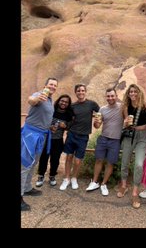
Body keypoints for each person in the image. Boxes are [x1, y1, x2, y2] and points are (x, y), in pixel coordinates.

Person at [21, 78, 58, 210]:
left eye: (54, 85)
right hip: (31, 134)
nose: (52, 87)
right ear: (45, 86)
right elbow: (31, 100)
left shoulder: (50, 100)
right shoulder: (40, 95)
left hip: (42, 135)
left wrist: (50, 127)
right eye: (50, 84)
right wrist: (36, 99)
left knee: (33, 163)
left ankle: (27, 188)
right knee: (25, 164)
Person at [58, 83, 100, 191]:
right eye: (78, 91)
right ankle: (66, 178)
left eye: (82, 90)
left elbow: (101, 112)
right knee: (69, 157)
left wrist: (98, 121)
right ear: (75, 92)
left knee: (77, 160)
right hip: (72, 134)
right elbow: (68, 119)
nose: (80, 92)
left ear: (85, 91)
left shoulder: (92, 104)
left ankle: (74, 178)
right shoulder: (72, 106)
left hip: (83, 136)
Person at [85, 88, 123, 196]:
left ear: (116, 96)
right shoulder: (102, 109)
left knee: (110, 163)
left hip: (115, 140)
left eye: (112, 96)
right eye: (108, 96)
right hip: (103, 138)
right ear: (106, 97)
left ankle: (103, 184)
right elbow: (97, 126)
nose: (110, 98)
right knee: (98, 160)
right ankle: (94, 182)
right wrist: (96, 122)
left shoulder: (122, 107)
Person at [35, 93, 72, 190]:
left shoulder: (68, 114)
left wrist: (65, 126)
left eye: (66, 102)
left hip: (58, 140)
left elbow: (69, 127)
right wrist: (49, 127)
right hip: (46, 138)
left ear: (68, 104)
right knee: (43, 157)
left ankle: (52, 176)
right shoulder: (52, 110)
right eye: (62, 101)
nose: (64, 103)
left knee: (55, 159)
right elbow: (43, 121)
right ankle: (41, 176)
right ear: (59, 101)